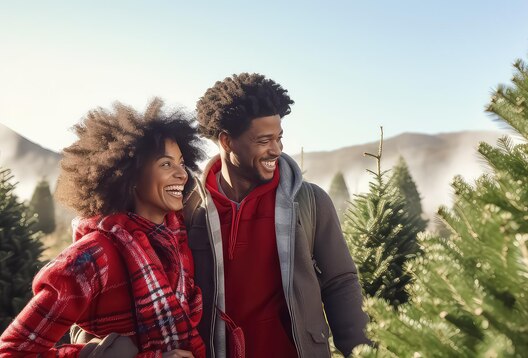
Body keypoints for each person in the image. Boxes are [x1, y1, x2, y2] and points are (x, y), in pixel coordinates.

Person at [0, 98, 206, 358]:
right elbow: (13, 351)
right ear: (129, 176)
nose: (182, 174)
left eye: (181, 162)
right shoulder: (92, 255)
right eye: (166, 164)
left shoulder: (178, 242)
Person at [185, 73, 370, 358]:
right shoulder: (189, 209)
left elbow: (340, 282)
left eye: (279, 137)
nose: (277, 149)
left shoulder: (311, 202)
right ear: (227, 141)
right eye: (264, 140)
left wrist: (363, 354)